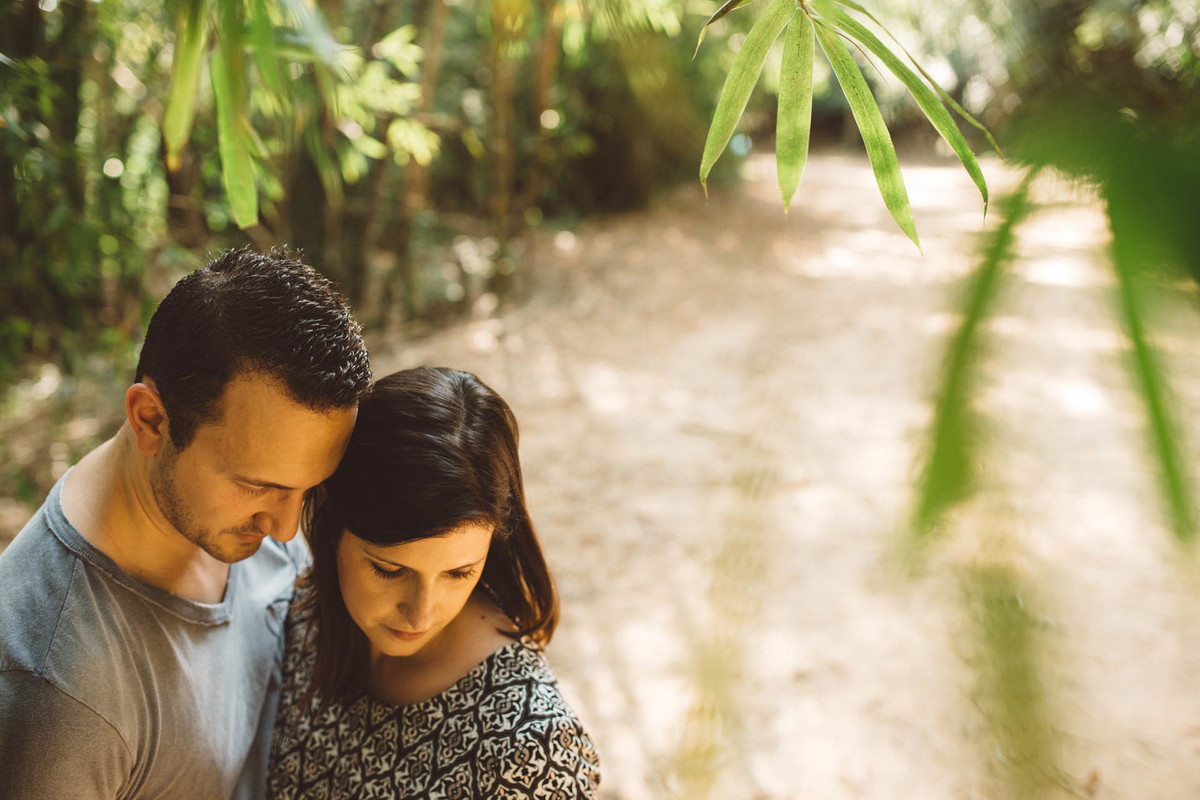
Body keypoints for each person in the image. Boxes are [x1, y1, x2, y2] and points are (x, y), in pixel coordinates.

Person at [0, 248, 373, 800]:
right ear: (150, 420)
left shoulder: (234, 517)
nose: (288, 530)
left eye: (310, 488)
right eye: (258, 485)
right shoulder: (56, 695)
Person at [268, 367, 601, 799]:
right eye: (389, 570)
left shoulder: (531, 748)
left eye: (459, 572)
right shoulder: (306, 608)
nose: (422, 612)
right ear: (332, 523)